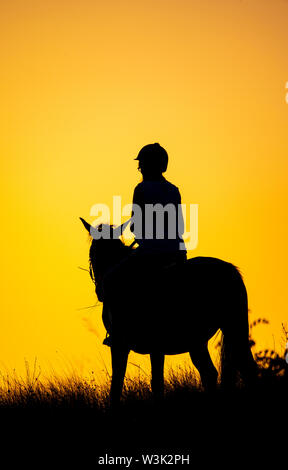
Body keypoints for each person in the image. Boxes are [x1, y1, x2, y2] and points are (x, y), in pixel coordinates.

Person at [131, 143, 187, 264]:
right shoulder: (173, 189)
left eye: (142, 166)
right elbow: (180, 226)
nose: (140, 170)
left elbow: (135, 226)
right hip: (177, 252)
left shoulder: (141, 189)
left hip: (150, 253)